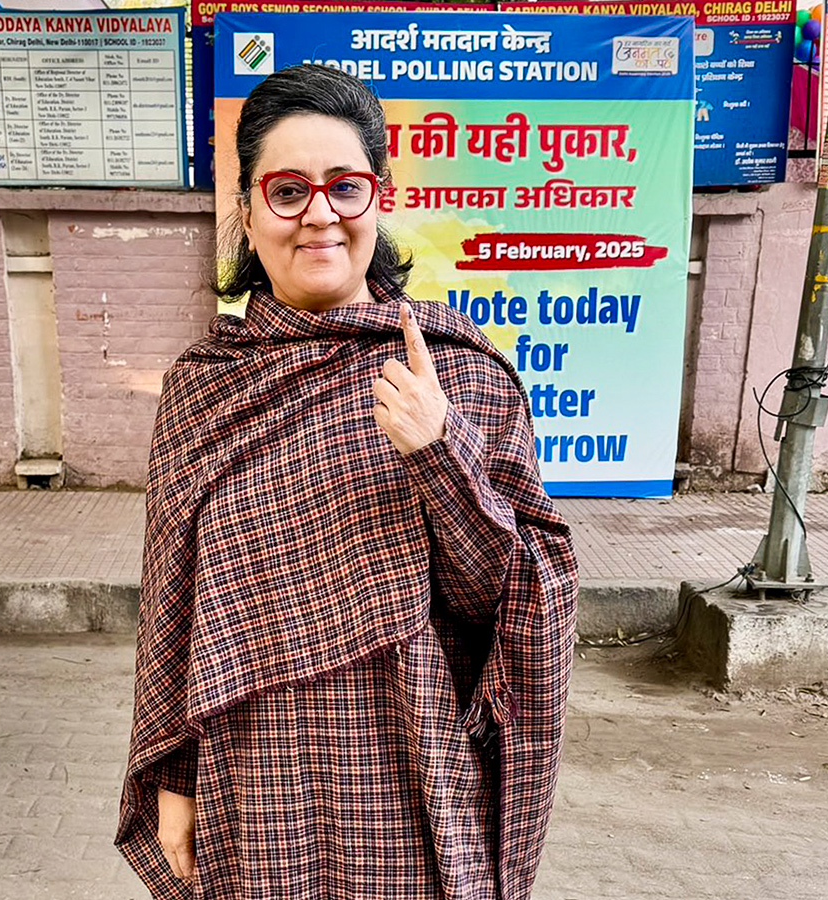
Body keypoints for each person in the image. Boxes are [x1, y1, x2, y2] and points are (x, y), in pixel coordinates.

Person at [116, 63, 578, 900]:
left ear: (381, 198)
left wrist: (440, 455)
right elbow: (172, 600)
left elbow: (518, 597)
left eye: (344, 186)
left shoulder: (456, 376)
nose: (319, 213)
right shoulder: (204, 384)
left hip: (410, 770)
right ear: (249, 210)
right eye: (287, 190)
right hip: (253, 779)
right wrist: (173, 775)